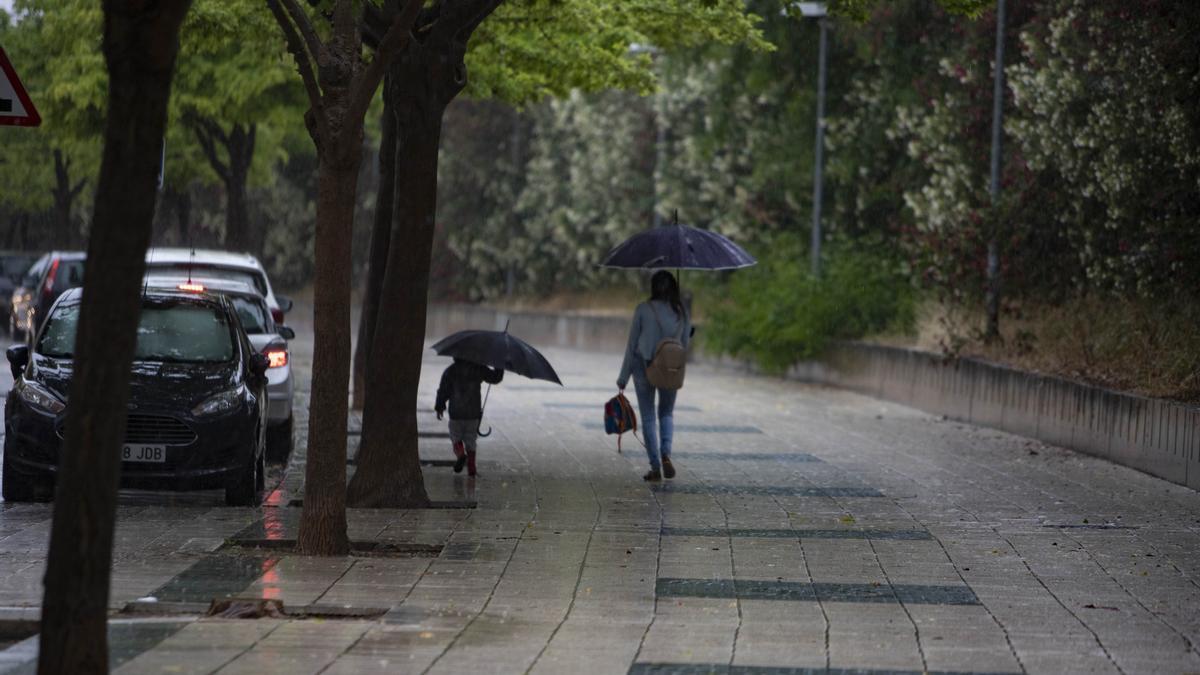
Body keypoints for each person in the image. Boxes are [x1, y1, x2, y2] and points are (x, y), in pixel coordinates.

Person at [617, 270, 691, 482]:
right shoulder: (681, 311)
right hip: (670, 367)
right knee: (666, 413)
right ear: (674, 287)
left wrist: (623, 376)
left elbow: (632, 345)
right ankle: (666, 452)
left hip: (643, 365)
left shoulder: (643, 309)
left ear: (653, 287)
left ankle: (655, 466)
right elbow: (685, 343)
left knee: (648, 416)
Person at [435, 358, 503, 476]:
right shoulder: (478, 368)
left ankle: (461, 454)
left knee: (455, 436)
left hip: (456, 412)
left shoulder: (451, 371)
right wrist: (499, 365)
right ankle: (471, 467)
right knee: (471, 439)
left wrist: (440, 406)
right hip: (473, 412)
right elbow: (495, 378)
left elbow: (443, 390)